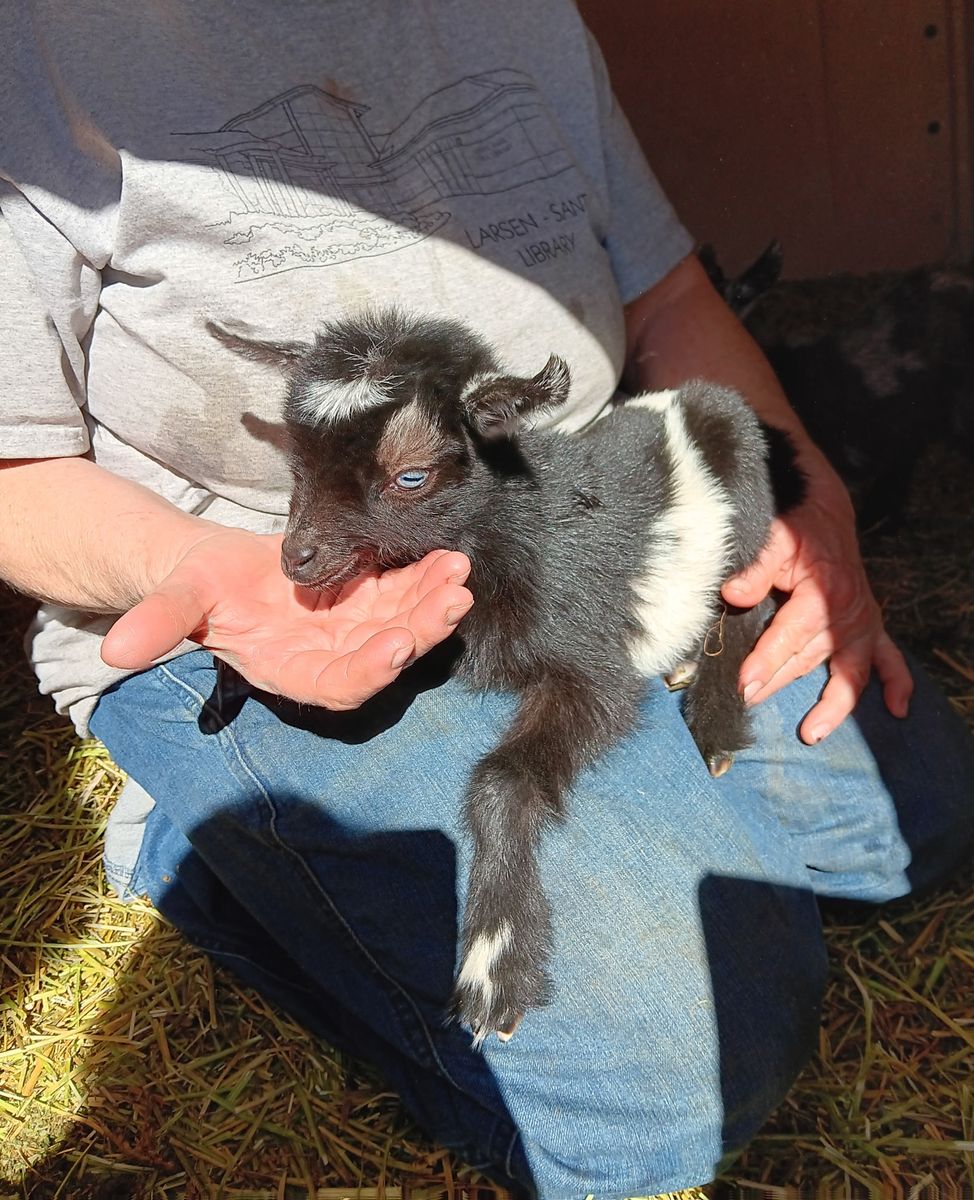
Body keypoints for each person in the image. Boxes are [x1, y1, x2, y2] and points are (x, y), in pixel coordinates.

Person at [1, 2, 971, 1194]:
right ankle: (203, 844)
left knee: (906, 823)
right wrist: (184, 570)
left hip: (559, 517)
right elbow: (13, 470)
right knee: (680, 1086)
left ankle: (635, 797)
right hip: (290, 607)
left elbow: (667, 299)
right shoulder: (33, 47)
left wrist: (798, 492)